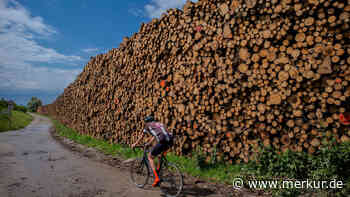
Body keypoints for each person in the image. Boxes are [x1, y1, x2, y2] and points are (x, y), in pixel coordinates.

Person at [131, 116, 173, 187]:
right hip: (171, 140)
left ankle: (157, 178)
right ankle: (159, 173)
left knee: (150, 157)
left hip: (162, 140)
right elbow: (155, 135)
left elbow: (142, 136)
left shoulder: (148, 125)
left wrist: (135, 144)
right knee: (159, 156)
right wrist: (149, 143)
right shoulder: (159, 124)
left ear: (147, 122)